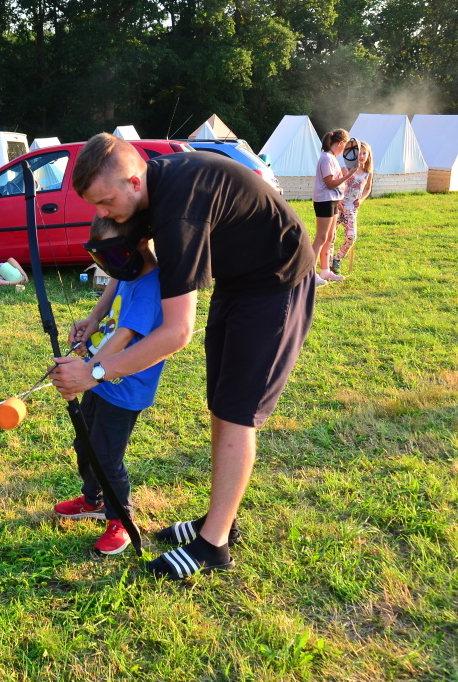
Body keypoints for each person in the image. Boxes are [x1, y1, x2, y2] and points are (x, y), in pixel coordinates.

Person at [51, 133, 315, 580]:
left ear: (133, 181)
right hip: (238, 283)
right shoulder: (143, 194)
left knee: (237, 413)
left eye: (105, 202)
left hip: (277, 282)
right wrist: (96, 316)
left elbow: (176, 333)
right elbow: (129, 261)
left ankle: (214, 545)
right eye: (96, 205)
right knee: (221, 405)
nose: (102, 214)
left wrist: (95, 372)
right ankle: (220, 519)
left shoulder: (177, 210)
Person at [53, 214, 166, 555]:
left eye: (112, 256)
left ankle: (121, 520)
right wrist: (92, 319)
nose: (110, 265)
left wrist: (87, 371)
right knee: (85, 443)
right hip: (100, 379)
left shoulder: (150, 286)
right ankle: (94, 500)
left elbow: (126, 334)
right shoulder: (127, 270)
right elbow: (113, 287)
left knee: (106, 456)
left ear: (136, 246)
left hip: (123, 388)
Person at [312, 129, 362, 286]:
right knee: (321, 238)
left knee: (330, 237)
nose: (345, 150)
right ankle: (310, 274)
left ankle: (325, 270)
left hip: (333, 200)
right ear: (340, 143)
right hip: (324, 201)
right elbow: (330, 184)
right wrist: (349, 174)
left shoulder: (332, 158)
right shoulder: (326, 159)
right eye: (345, 146)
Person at [329, 141, 373, 276]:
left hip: (351, 209)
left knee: (351, 236)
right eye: (359, 153)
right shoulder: (346, 170)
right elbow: (336, 185)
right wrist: (338, 200)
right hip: (339, 207)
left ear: (368, 155)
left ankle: (337, 259)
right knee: (331, 236)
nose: (361, 156)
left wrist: (361, 199)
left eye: (364, 153)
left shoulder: (367, 173)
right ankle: (328, 264)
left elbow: (367, 188)